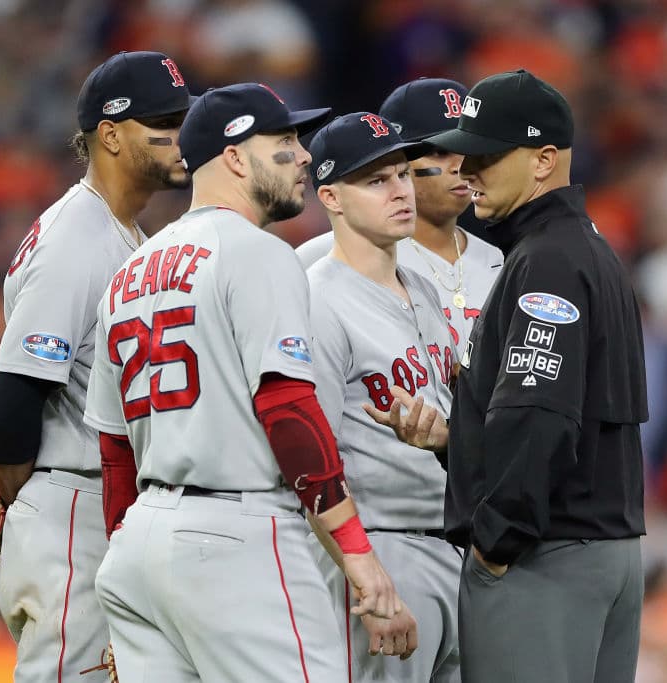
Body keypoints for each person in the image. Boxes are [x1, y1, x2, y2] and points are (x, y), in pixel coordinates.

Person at [83, 83, 418, 682]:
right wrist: (358, 555)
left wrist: (132, 555)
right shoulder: (256, 253)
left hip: (139, 547)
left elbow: (114, 452)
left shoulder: (128, 273)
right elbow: (287, 408)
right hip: (236, 538)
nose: (304, 155)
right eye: (284, 140)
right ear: (235, 157)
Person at [369, 69, 648, 683]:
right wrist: (460, 443)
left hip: (546, 557)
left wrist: (496, 542)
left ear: (544, 160)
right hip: (606, 548)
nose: (468, 171)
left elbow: (540, 415)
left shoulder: (545, 260)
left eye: (487, 157)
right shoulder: (589, 249)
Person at [0, 51, 193, 681]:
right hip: (70, 505)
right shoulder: (76, 238)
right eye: (163, 123)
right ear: (110, 135)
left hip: (102, 503)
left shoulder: (125, 234)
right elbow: (12, 403)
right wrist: (16, 496)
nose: (182, 135)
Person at [305, 111, 462, 682]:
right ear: (331, 197)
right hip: (382, 549)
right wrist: (364, 577)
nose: (401, 191)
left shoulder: (421, 288)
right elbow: (309, 461)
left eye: (401, 174)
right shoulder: (317, 300)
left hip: (452, 545)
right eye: (376, 180)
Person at [296, 78, 503, 364]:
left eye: (467, 149)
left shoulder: (498, 260)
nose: (461, 166)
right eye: (440, 152)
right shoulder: (322, 257)